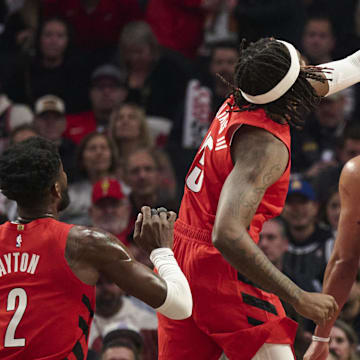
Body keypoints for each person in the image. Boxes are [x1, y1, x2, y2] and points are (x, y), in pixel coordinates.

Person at [157, 36, 360, 359]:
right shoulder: (263, 147)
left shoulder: (248, 96)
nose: (311, 69)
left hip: (183, 251)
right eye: (303, 65)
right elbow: (227, 234)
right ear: (293, 92)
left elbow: (352, 66)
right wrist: (298, 297)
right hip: (219, 264)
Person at [0, 136, 192, 359]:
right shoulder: (84, 243)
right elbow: (180, 305)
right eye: (63, 172)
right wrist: (162, 250)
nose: (66, 177)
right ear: (56, 189)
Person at [304, 155, 360, 360]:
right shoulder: (356, 173)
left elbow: (345, 262)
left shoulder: (356, 172)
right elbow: (344, 262)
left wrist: (321, 338)